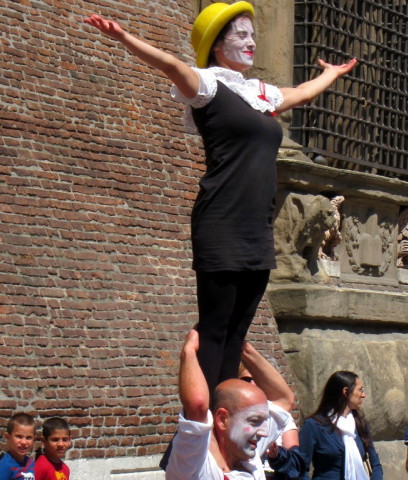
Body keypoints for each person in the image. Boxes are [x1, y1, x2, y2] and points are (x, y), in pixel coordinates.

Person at [84, 2, 357, 394]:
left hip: (257, 227)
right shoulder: (207, 86)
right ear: (216, 46)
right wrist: (125, 37)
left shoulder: (258, 94)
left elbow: (299, 94)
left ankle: (225, 418)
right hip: (221, 221)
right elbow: (169, 65)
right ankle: (201, 427)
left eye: (253, 36)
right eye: (240, 36)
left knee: (238, 333)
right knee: (214, 330)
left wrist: (329, 74)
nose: (250, 43)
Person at [165, 328, 298, 480]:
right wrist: (189, 352)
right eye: (255, 421)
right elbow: (197, 405)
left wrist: (241, 346)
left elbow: (284, 399)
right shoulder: (195, 467)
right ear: (222, 419)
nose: (264, 433)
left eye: (263, 421)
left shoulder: (248, 456)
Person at [299, 370, 383, 480]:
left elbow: (375, 464)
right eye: (360, 390)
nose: (363, 395)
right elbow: (300, 469)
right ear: (346, 392)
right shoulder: (313, 426)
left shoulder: (359, 424)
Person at [0, 412, 36, 480]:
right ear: (7, 437)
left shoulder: (30, 463)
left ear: (34, 439)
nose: (23, 442)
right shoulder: (5, 467)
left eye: (28, 437)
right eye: (19, 436)